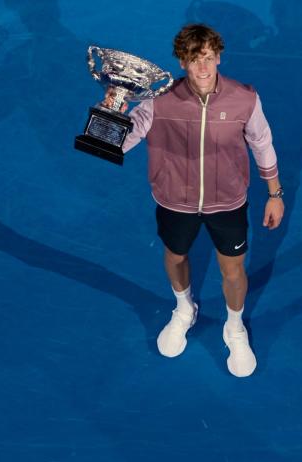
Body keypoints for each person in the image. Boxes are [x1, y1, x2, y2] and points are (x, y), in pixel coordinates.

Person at [103, 23, 284, 377]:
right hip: (174, 201)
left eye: (208, 58)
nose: (202, 68)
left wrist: (274, 194)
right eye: (193, 59)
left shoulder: (244, 98)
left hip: (228, 202)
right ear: (182, 62)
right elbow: (120, 144)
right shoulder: (158, 100)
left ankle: (234, 326)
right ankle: (184, 308)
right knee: (175, 256)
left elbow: (262, 143)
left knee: (232, 269)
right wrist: (109, 114)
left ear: (218, 57)